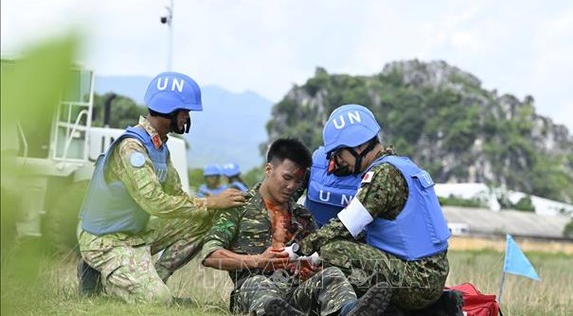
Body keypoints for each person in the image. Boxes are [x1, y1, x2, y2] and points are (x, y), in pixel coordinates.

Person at [77, 71, 247, 304]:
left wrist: (214, 205)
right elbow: (154, 202)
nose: (187, 117)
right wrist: (210, 201)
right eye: (185, 111)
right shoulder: (132, 148)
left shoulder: (159, 147)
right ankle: (101, 274)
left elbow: (177, 196)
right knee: (157, 300)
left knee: (206, 217)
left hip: (135, 231)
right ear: (169, 109)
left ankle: (155, 277)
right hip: (106, 240)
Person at [202, 138, 393, 316]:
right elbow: (210, 255)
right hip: (252, 292)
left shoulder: (302, 216)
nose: (292, 186)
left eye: (298, 181)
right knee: (258, 283)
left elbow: (318, 256)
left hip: (295, 293)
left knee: (331, 274)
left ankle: (349, 311)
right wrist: (257, 261)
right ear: (269, 169)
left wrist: (311, 267)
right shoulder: (237, 206)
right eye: (287, 178)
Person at [298, 104, 452, 313]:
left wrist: (298, 251)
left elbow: (345, 225)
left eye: (339, 153)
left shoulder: (383, 175)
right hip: (430, 275)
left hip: (417, 280)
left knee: (333, 250)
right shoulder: (402, 166)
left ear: (359, 148)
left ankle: (349, 309)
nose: (338, 161)